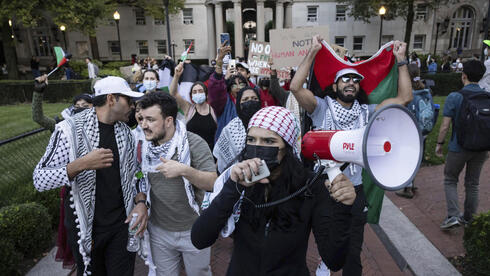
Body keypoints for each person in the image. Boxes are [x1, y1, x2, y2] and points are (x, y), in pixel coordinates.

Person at [290, 36, 412, 276]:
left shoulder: (368, 112)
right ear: (334, 86)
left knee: (353, 252)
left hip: (354, 191)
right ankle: (325, 261)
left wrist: (401, 61)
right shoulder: (320, 107)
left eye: (356, 80)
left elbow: (404, 98)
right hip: (322, 189)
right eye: (345, 78)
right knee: (319, 238)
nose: (351, 82)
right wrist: (313, 51)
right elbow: (295, 87)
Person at [191, 106, 356, 275]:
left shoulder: (310, 186)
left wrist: (342, 208)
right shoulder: (238, 177)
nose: (257, 147)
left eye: (269, 141)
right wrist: (233, 187)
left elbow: (334, 260)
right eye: (251, 140)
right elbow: (199, 238)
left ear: (287, 146)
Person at [33, 76, 146, 276]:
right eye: (128, 100)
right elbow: (39, 179)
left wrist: (141, 201)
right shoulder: (68, 130)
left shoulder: (127, 133)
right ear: (112, 99)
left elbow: (136, 174)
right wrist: (81, 164)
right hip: (86, 228)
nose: (133, 106)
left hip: (122, 226)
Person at [135, 92, 217, 276]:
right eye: (142, 119)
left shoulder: (193, 143)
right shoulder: (142, 145)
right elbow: (137, 179)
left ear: (169, 120)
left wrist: (184, 170)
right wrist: (140, 202)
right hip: (159, 230)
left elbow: (212, 182)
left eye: (150, 119)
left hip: (195, 228)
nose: (144, 125)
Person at [435, 60, 489, 229]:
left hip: (459, 147)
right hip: (482, 148)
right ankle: (469, 219)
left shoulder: (455, 96)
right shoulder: (487, 96)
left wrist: (439, 144)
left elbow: (444, 126)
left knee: (450, 179)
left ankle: (452, 216)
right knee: (473, 184)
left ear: (463, 75)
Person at [170, 62, 217, 151]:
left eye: (200, 91)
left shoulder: (213, 110)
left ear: (206, 95)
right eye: (194, 92)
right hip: (191, 153)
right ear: (191, 96)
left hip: (210, 153)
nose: (197, 93)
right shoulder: (189, 108)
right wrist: (176, 76)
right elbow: (173, 93)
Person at [213, 86, 262, 173]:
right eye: (245, 99)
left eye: (254, 98)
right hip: (236, 177)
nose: (250, 101)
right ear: (238, 104)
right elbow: (220, 159)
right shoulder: (231, 128)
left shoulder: (267, 124)